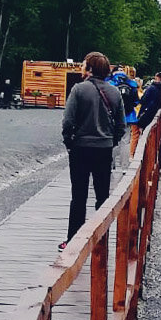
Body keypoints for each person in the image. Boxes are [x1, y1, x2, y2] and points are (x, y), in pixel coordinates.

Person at [59, 51, 125, 250]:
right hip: (104, 149)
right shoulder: (114, 92)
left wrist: (69, 142)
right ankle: (100, 239)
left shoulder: (79, 90)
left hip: (80, 148)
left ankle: (73, 240)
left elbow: (68, 121)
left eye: (83, 65)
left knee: (78, 196)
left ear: (89, 69)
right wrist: (110, 142)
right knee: (102, 195)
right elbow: (121, 126)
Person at [107, 65, 140, 156]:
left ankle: (110, 165)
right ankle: (124, 167)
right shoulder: (131, 84)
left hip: (111, 116)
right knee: (125, 142)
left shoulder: (109, 83)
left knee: (112, 141)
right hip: (128, 117)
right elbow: (136, 101)